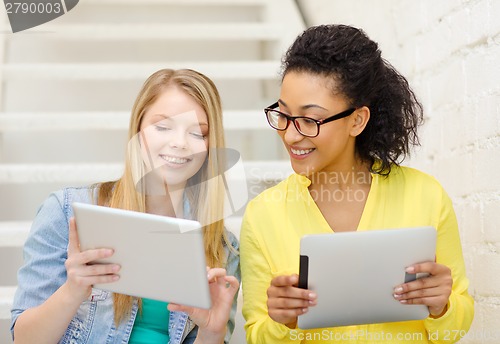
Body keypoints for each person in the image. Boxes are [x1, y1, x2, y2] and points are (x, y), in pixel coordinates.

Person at [240, 24, 474, 343]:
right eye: (283, 115)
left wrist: (442, 307)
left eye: (310, 120)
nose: (291, 135)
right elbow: (257, 335)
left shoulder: (426, 196)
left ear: (357, 120)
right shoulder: (262, 215)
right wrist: (283, 322)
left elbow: (456, 326)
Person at [11, 68, 240, 344]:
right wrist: (72, 291)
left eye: (197, 133)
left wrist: (212, 333)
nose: (179, 143)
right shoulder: (65, 211)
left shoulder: (222, 248)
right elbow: (24, 340)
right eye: (163, 127)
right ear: (139, 129)